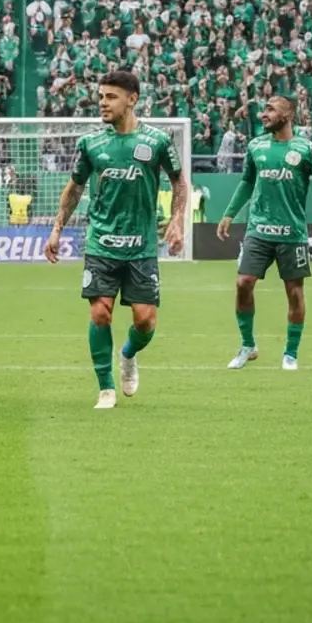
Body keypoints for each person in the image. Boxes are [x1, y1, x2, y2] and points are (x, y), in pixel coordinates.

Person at [44, 70, 187, 410]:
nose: (103, 103)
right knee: (99, 314)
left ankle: (128, 354)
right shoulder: (91, 143)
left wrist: (179, 220)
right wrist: (57, 228)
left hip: (142, 246)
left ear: (132, 99)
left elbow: (179, 182)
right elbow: (75, 187)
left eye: (110, 97)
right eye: (101, 97)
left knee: (145, 320)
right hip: (101, 242)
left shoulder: (157, 142)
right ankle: (105, 388)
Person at [218, 96, 312, 371]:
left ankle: (290, 353)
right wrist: (229, 214)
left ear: (288, 114)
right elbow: (247, 182)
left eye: (270, 109)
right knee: (244, 282)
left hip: (292, 233)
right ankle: (248, 345)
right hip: (258, 229)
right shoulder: (256, 146)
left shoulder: (305, 149)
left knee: (294, 292)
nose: (263, 114)